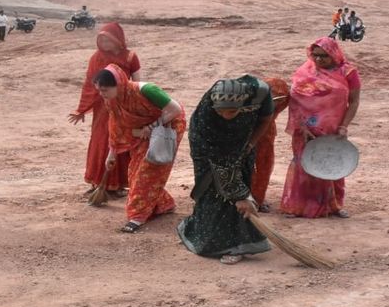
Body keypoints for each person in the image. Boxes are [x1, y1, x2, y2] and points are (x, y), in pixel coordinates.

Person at [178, 77, 276, 263]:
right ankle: (201, 233)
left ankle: (234, 245)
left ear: (244, 105)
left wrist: (250, 144)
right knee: (212, 188)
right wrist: (239, 196)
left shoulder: (260, 93)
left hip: (242, 142)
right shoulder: (206, 115)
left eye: (231, 111)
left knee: (240, 180)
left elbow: (265, 119)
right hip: (208, 148)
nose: (225, 115)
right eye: (220, 111)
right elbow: (216, 162)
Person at [93, 65, 186, 233]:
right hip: (141, 131)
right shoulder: (113, 100)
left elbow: (175, 110)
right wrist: (111, 153)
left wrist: (152, 126)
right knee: (135, 172)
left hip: (167, 127)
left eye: (105, 90)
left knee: (148, 170)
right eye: (99, 90)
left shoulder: (147, 90)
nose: (102, 95)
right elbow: (115, 126)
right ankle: (164, 205)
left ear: (119, 84)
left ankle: (138, 216)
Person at [280, 37, 361, 218]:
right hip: (305, 129)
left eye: (324, 56)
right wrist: (301, 126)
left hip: (333, 128)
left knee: (332, 163)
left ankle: (334, 205)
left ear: (334, 54)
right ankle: (298, 205)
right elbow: (295, 101)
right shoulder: (305, 71)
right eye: (315, 55)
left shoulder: (348, 72)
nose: (318, 60)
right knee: (304, 164)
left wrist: (344, 126)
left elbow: (354, 101)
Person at [68, 23, 141, 198]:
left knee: (120, 142)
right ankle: (97, 181)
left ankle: (116, 185)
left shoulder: (131, 56)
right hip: (102, 108)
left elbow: (137, 84)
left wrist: (135, 106)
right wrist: (82, 109)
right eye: (101, 39)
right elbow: (90, 85)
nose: (104, 42)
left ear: (117, 39)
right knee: (100, 142)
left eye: (107, 39)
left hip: (123, 105)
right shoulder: (96, 58)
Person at [249, 77, 290, 211]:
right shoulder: (250, 101)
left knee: (264, 166)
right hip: (247, 133)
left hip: (266, 135)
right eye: (272, 100)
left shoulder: (283, 101)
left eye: (280, 100)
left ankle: (258, 198)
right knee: (246, 165)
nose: (275, 105)